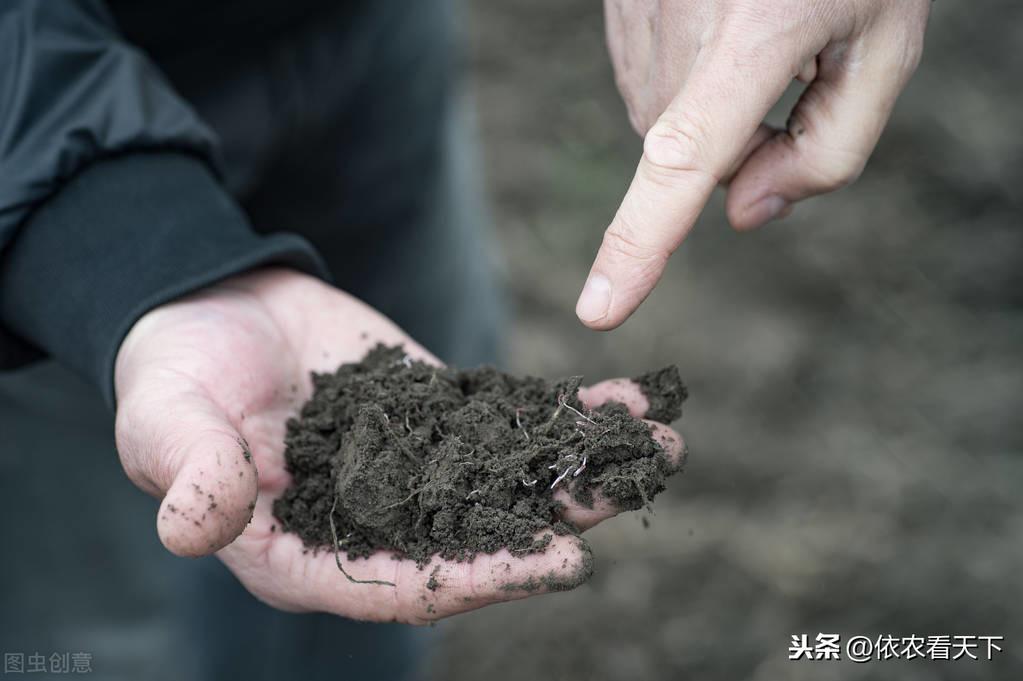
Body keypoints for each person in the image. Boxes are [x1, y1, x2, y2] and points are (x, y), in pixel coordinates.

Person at [0, 0, 929, 679]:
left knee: (371, 606)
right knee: (112, 626)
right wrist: (103, 239)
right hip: (34, 154)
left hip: (355, 41)